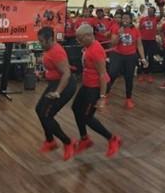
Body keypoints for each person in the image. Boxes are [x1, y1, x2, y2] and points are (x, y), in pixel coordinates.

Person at [71, 24, 122, 158]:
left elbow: (103, 75)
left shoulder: (96, 50)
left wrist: (102, 97)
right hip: (87, 85)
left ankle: (112, 139)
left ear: (89, 35)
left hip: (96, 87)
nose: (78, 41)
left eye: (80, 38)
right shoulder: (87, 47)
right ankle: (84, 139)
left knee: (87, 117)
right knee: (76, 108)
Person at [35, 27, 76, 161]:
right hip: (55, 83)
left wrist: (58, 92)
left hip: (65, 85)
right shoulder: (48, 49)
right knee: (39, 109)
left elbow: (66, 73)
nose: (40, 44)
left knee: (47, 115)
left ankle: (68, 143)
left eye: (42, 41)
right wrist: (44, 74)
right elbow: (54, 69)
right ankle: (50, 141)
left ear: (50, 39)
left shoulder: (56, 52)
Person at [107, 12, 146, 109]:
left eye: (127, 18)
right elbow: (113, 43)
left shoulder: (135, 30)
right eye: (123, 18)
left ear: (131, 19)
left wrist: (143, 58)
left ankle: (128, 99)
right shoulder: (116, 28)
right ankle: (105, 94)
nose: (124, 20)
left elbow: (139, 45)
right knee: (112, 74)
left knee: (129, 77)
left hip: (130, 56)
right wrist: (119, 35)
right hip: (117, 54)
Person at [138, 6, 159, 83]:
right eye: (149, 10)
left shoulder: (156, 19)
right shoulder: (143, 19)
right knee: (142, 58)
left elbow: (162, 14)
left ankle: (150, 74)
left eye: (151, 11)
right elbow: (139, 29)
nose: (150, 12)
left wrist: (160, 5)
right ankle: (142, 73)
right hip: (143, 40)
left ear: (154, 12)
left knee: (150, 58)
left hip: (152, 41)